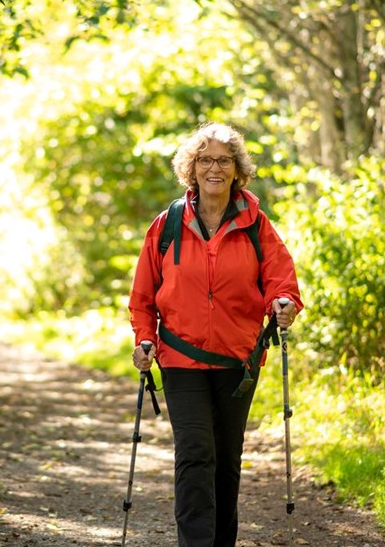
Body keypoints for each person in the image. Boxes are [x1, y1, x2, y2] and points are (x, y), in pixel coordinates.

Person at [128, 121, 303, 547]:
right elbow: (143, 294)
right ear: (192, 168)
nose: (215, 168)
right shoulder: (166, 225)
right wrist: (144, 338)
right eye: (205, 160)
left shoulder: (256, 225)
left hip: (237, 361)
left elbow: (281, 280)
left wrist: (283, 304)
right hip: (180, 359)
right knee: (194, 455)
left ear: (237, 170)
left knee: (226, 460)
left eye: (224, 160)